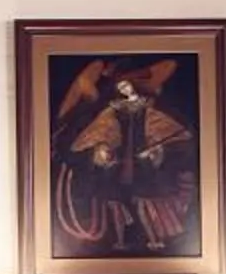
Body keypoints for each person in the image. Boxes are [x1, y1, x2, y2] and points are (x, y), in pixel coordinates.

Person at [51, 58, 199, 257]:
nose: (124, 88)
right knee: (115, 200)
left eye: (127, 84)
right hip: (120, 163)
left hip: (143, 163)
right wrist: (101, 149)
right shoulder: (112, 109)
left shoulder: (148, 107)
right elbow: (100, 132)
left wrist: (156, 151)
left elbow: (167, 133)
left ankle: (153, 239)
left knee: (145, 199)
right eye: (120, 86)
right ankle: (120, 241)